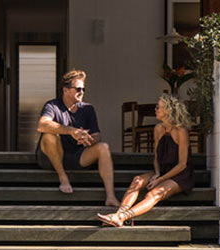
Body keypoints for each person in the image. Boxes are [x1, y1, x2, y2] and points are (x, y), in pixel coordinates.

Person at [98, 93, 193, 227]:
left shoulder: (180, 131)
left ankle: (123, 217)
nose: (156, 110)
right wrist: (157, 173)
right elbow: (156, 157)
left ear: (168, 110)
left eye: (158, 107)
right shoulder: (158, 129)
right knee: (137, 180)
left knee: (154, 193)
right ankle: (118, 214)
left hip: (179, 175)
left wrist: (160, 180)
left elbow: (182, 164)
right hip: (163, 170)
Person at [36, 69, 116, 205]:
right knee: (49, 135)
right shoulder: (52, 106)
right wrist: (71, 131)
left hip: (77, 155)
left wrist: (87, 139)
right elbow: (42, 125)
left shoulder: (88, 109)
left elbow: (97, 136)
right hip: (52, 157)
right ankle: (63, 177)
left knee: (103, 147)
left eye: (83, 89)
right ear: (65, 90)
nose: (82, 92)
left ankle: (110, 196)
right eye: (78, 89)